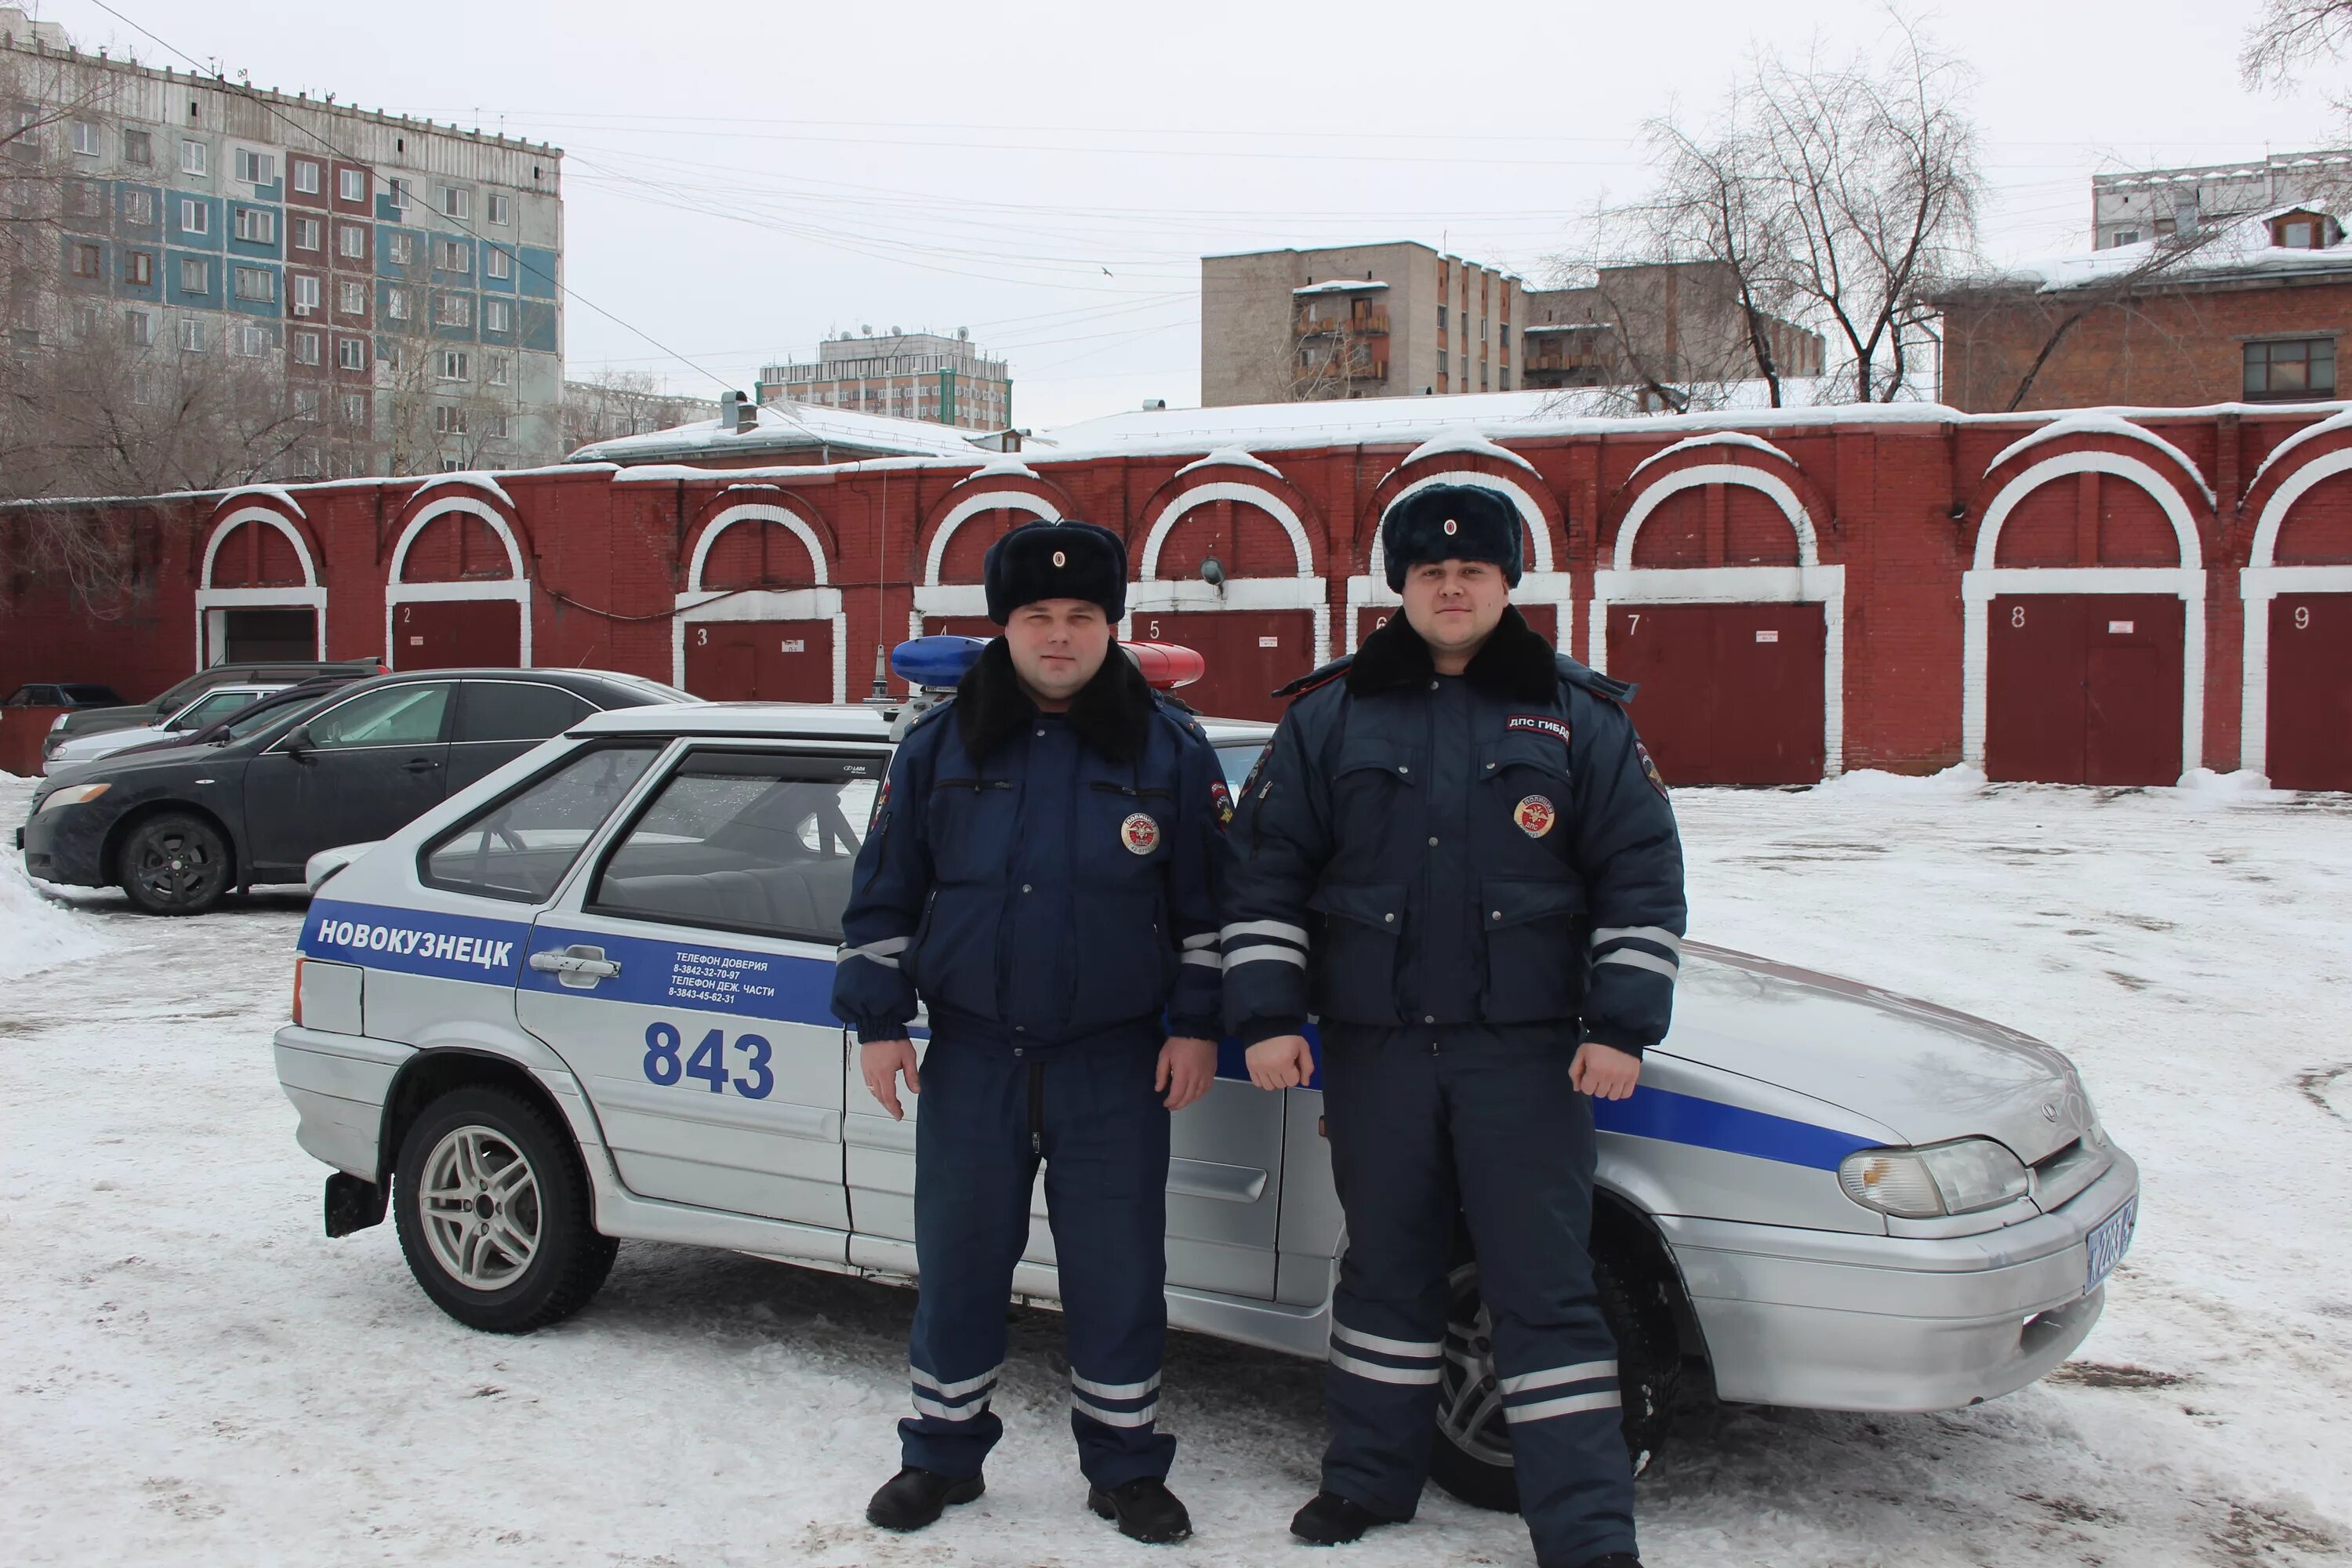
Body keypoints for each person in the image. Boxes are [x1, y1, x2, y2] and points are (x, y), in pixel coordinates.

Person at [1221, 483, 1685, 1568]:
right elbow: (1266, 879)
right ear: (1402, 588)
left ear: (1508, 582)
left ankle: (1582, 1526)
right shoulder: (1330, 715)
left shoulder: (1580, 716)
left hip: (1523, 1056)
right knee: (1385, 1273)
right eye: (1430, 573)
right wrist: (1267, 1014)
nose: (1451, 587)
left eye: (1472, 570)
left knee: (1544, 1285)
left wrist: (1620, 1027)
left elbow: (1641, 879)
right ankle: (1369, 1484)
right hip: (1377, 1050)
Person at [832, 518, 1232, 1544]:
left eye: (1083, 616)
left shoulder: (1170, 747)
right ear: (1004, 626)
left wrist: (1196, 1028)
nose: (1060, 636)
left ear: (1112, 625)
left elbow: (1208, 909)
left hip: (1115, 1058)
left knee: (1118, 1268)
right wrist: (879, 1023)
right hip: (973, 1055)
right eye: (1038, 616)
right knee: (960, 1259)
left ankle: (1126, 1466)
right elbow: (883, 899)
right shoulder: (937, 743)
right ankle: (942, 1457)